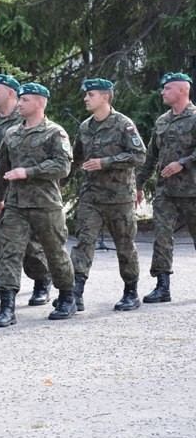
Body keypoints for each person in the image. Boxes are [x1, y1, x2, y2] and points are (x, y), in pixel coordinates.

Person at [0, 83, 76, 325]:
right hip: (16, 206)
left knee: (55, 252)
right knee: (9, 254)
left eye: (25, 100)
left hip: (45, 204)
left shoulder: (55, 133)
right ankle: (7, 308)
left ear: (40, 103)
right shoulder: (12, 134)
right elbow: (4, 170)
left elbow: (63, 166)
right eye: (19, 99)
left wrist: (28, 172)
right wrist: (0, 198)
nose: (19, 103)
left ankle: (67, 297)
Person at [66, 79, 146, 311]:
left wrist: (106, 162)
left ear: (105, 97)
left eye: (90, 95)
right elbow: (77, 158)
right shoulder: (84, 127)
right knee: (83, 243)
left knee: (125, 246)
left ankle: (131, 292)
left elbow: (138, 155)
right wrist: (61, 182)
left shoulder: (123, 124)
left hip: (119, 198)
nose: (85, 98)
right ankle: (75, 294)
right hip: (91, 197)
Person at [0, 74, 51, 314]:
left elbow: (28, 156)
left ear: (11, 93)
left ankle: (41, 280)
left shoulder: (26, 119)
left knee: (28, 245)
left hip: (19, 193)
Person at [135, 72, 196, 304]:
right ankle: (162, 285)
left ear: (182, 90)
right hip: (166, 191)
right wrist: (139, 184)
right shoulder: (162, 121)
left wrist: (183, 163)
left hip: (193, 190)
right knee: (161, 236)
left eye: (167, 88)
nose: (162, 92)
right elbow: (151, 156)